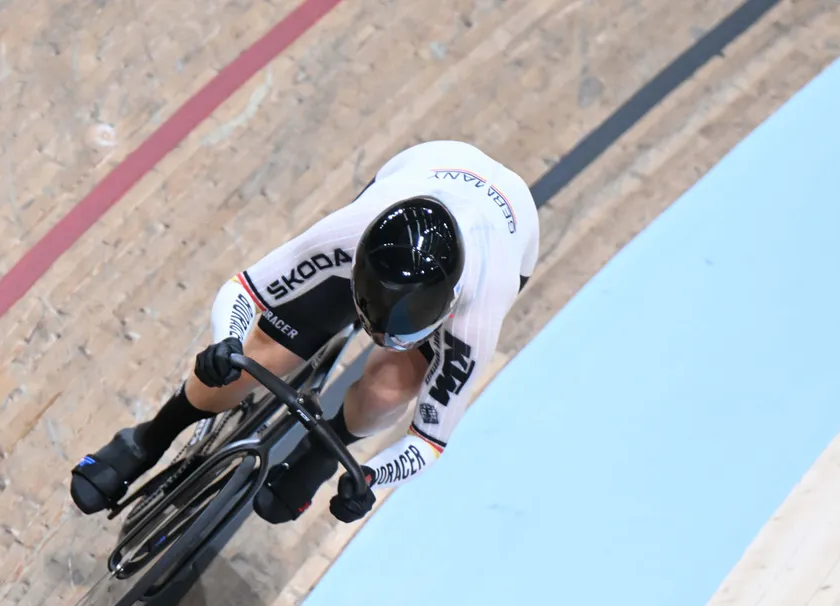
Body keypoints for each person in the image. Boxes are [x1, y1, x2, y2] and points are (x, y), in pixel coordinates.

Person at [70, 140, 540, 523]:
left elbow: (429, 440)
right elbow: (245, 289)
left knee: (386, 389)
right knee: (255, 360)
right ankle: (150, 437)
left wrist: (369, 476)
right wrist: (225, 343)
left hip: (511, 237)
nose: (382, 332)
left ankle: (323, 451)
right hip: (424, 169)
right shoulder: (351, 231)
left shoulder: (478, 314)